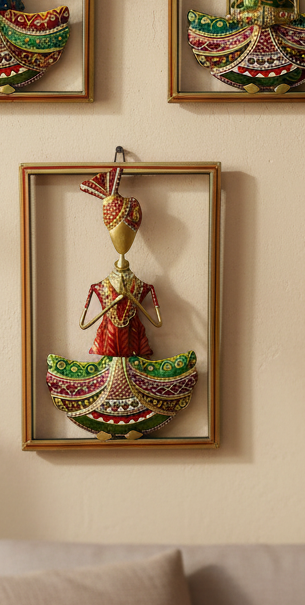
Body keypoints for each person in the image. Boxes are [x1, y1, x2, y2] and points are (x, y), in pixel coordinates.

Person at [46, 168, 198, 440]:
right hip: (109, 341)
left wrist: (132, 301)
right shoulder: (98, 287)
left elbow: (157, 322)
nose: (122, 241)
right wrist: (113, 303)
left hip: (133, 341)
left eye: (126, 232)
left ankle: (134, 424)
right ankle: (104, 424)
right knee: (109, 374)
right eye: (118, 231)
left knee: (133, 374)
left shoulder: (143, 286)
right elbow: (84, 323)